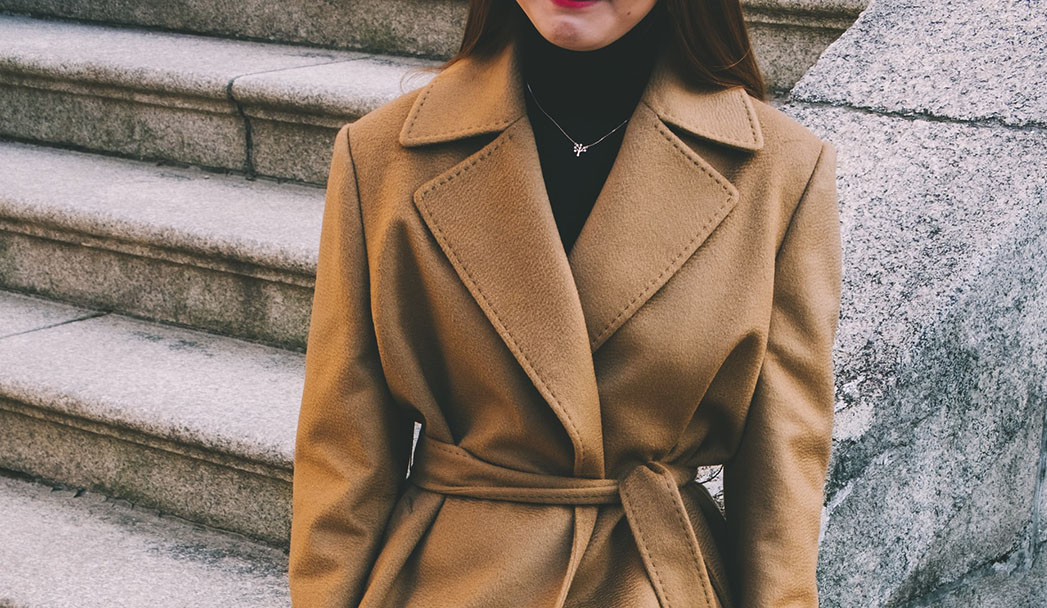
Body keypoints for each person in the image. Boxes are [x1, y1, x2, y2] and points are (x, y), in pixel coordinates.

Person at [288, 0, 843, 606]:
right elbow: (344, 458)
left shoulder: (782, 172)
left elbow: (781, 484)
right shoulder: (380, 156)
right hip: (447, 582)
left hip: (656, 581)